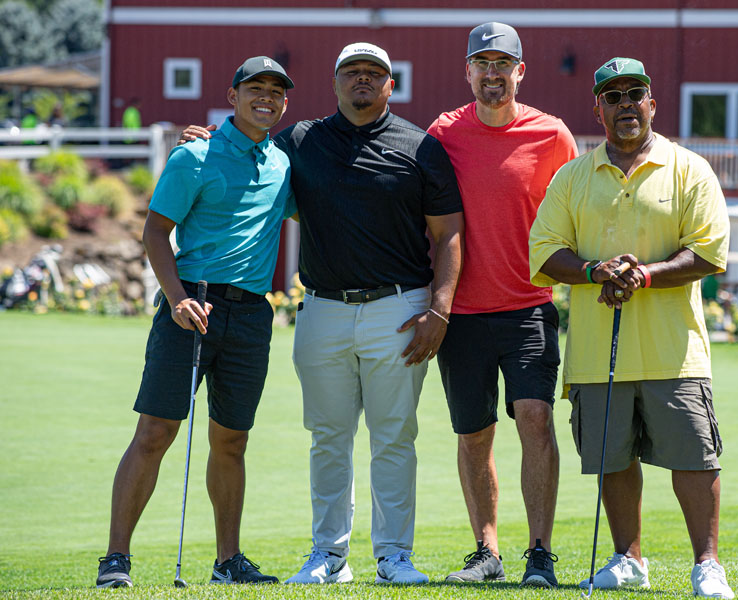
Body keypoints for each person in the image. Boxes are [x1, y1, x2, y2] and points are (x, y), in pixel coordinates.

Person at [184, 43, 465, 585]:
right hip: (323, 309)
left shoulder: (421, 146)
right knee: (329, 437)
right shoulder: (301, 140)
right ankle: (328, 557)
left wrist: (441, 307)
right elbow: (245, 151)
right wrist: (206, 140)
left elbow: (448, 231)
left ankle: (393, 557)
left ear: (390, 85)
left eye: (374, 74)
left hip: (401, 307)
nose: (363, 80)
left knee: (393, 437)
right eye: (352, 72)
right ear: (335, 82)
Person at [529, 57, 735, 599]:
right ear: (597, 107)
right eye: (613, 96)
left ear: (651, 103)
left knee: (695, 457)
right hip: (600, 353)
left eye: (634, 94)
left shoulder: (689, 168)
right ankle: (628, 559)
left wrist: (643, 275)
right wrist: (596, 270)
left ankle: (707, 565)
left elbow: (709, 253)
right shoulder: (573, 176)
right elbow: (545, 252)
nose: (625, 105)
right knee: (612, 459)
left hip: (676, 352)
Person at [95, 56, 296, 588]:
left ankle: (228, 561)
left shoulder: (282, 162)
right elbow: (156, 233)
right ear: (232, 97)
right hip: (191, 307)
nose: (266, 98)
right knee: (156, 431)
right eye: (255, 88)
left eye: (276, 91)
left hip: (253, 314)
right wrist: (176, 297)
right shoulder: (195, 155)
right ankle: (116, 559)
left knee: (232, 441)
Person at [425, 22, 578, 588]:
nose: (492, 74)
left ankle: (539, 553)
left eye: (502, 63)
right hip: (461, 312)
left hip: (529, 306)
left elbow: (578, 207)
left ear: (520, 71)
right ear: (468, 71)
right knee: (474, 432)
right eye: (481, 63)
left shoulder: (553, 135)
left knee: (534, 419)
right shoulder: (442, 134)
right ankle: (486, 551)